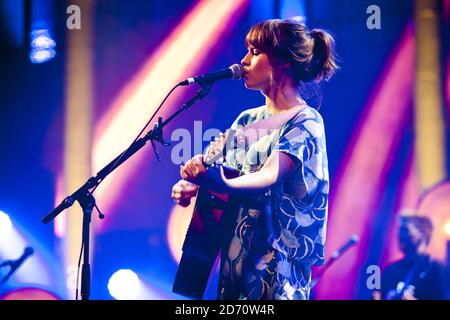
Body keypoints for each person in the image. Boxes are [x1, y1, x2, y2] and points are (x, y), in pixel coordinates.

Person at [171, 18, 338, 300]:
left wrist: (219, 181)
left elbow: (269, 175)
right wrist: (193, 186)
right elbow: (222, 173)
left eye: (255, 51)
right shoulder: (246, 120)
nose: (244, 60)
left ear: (283, 61)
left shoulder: (306, 120)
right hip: (235, 267)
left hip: (276, 273)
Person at [374, 211, 447, 300]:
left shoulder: (437, 270)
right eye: (399, 229)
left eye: (405, 230)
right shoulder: (391, 269)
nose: (398, 234)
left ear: (423, 234)